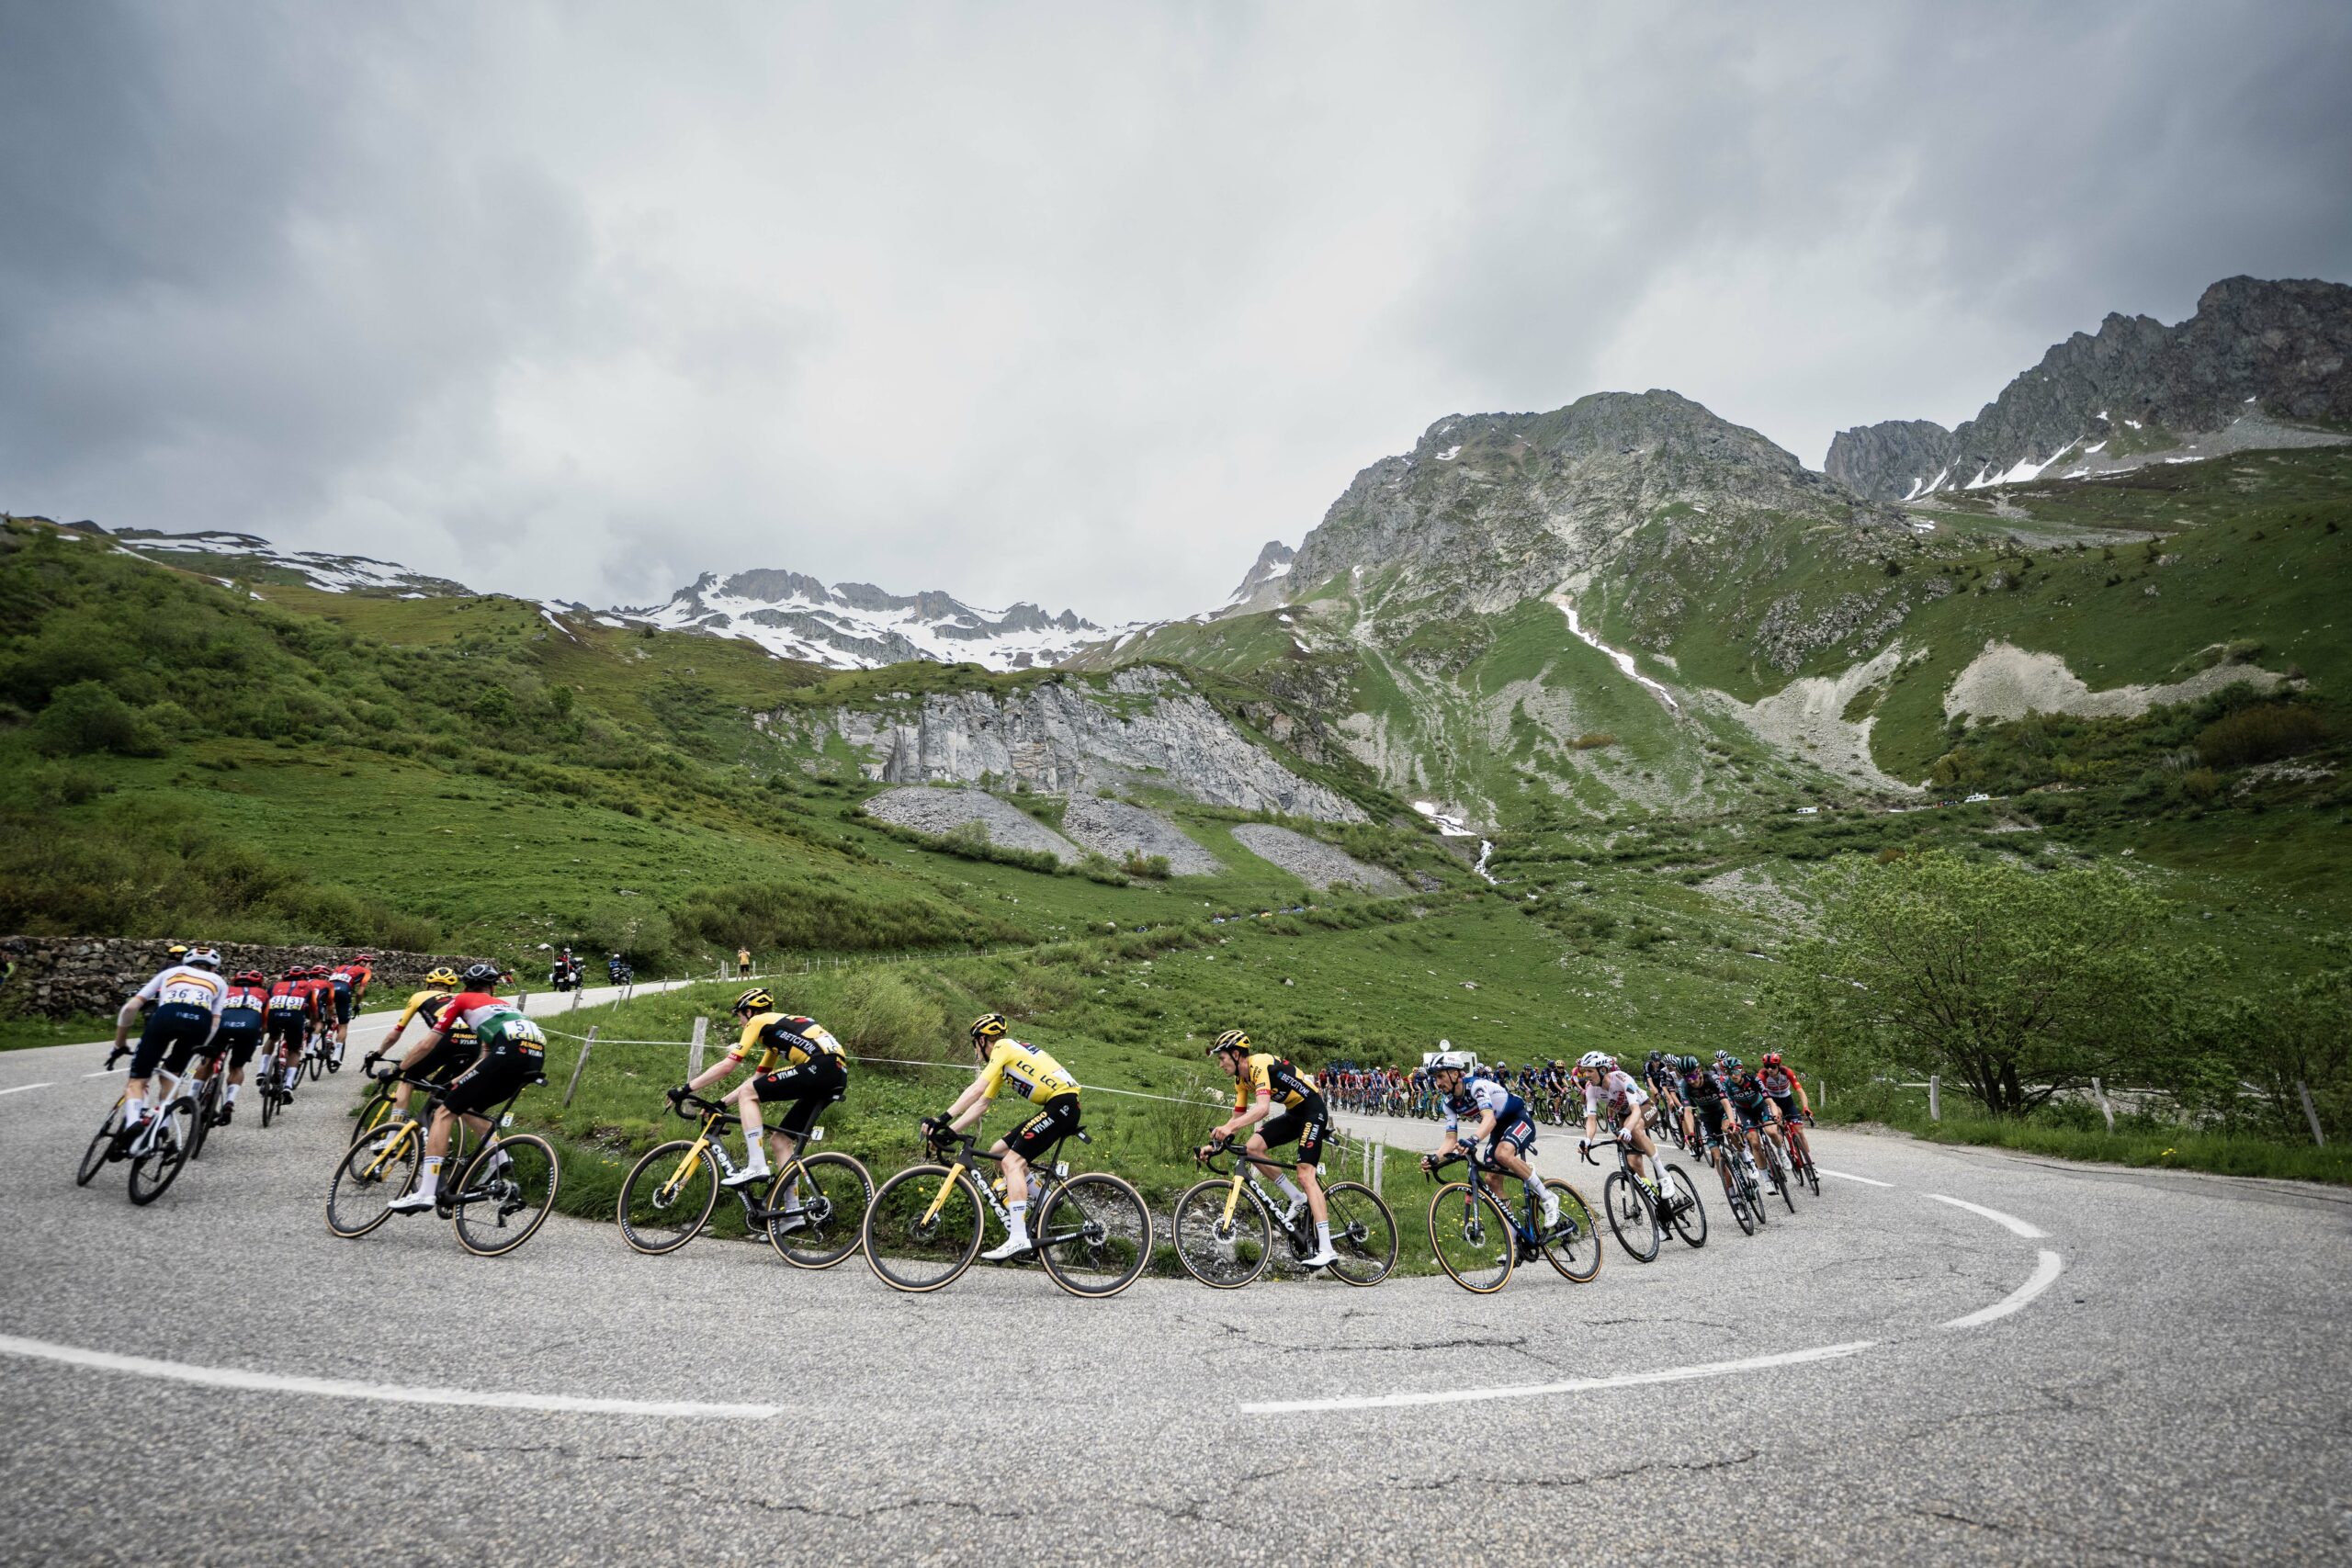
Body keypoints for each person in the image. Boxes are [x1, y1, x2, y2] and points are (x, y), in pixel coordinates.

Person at [673, 987, 848, 1227]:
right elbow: (757, 1080)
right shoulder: (774, 1035)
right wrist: (721, 1103)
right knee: (780, 1140)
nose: (740, 1021)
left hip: (819, 1066)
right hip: (835, 1074)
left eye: (739, 1015)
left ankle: (756, 1164)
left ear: (748, 1011)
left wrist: (685, 1089)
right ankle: (793, 1214)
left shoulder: (757, 1021)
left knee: (749, 1095)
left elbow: (728, 1066)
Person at [385, 964, 543, 1213]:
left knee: (444, 1113)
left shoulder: (460, 1000)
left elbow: (428, 1044)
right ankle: (499, 1160)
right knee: (468, 1107)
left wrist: (400, 1070)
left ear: (464, 986)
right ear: (492, 988)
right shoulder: (505, 1007)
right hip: (534, 1058)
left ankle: (425, 1193)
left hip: (508, 1053)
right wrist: (456, 1081)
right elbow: (485, 1057)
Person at [922, 1013, 1080, 1261]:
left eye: (975, 1044)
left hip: (1063, 1105)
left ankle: (1018, 1237)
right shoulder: (1004, 1062)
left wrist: (941, 1119)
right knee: (999, 1152)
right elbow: (981, 1103)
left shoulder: (1004, 1047)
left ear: (983, 1040)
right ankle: (1045, 1199)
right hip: (1059, 1105)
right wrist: (951, 1131)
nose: (975, 1051)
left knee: (1012, 1162)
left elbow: (975, 1089)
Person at [1199, 1030, 1339, 1269]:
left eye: (1221, 1058)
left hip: (1313, 1110)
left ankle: (1327, 1249)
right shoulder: (1240, 1081)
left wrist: (1228, 1127)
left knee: (1305, 1174)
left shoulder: (1258, 1064)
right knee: (1252, 1148)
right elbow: (1236, 1119)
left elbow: (1262, 1109)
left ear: (1235, 1054)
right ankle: (1297, 1198)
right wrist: (1215, 1144)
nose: (1220, 1064)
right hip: (1294, 1114)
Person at [1420, 1049, 1557, 1237]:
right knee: (1491, 1180)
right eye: (1435, 1078)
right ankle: (1515, 1239)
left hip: (1518, 1118)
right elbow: (1450, 1140)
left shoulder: (1476, 1086)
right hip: (1498, 1130)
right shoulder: (1449, 1103)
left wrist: (1473, 1140)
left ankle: (1548, 1197)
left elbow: (1489, 1119)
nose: (1438, 1082)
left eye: (1441, 1076)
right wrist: (1434, 1158)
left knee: (1503, 1154)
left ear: (1454, 1074)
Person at [108, 947, 226, 1138]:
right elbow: (215, 1022)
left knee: (138, 1080)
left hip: (166, 1016)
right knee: (172, 1074)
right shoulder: (219, 981)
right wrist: (201, 1048)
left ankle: (133, 1123)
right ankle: (163, 1123)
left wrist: (119, 1044)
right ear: (213, 968)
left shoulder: (170, 973)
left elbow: (130, 1008)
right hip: (200, 1023)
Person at [370, 967, 470, 1122]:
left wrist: (378, 1054)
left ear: (429, 984)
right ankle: (431, 1130)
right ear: (451, 987)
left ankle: (392, 1135)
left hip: (447, 1040)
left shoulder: (420, 996)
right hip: (473, 1046)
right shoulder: (459, 997)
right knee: (440, 1089)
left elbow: (395, 1034)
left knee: (407, 1077)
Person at [1574, 1051, 1668, 1193]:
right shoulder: (1591, 1089)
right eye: (1584, 1070)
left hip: (1644, 1106)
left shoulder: (1621, 1078)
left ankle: (1663, 1175)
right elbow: (1592, 1119)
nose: (1586, 1075)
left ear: (1603, 1070)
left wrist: (1627, 1129)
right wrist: (1588, 1140)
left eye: (1589, 1071)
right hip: (1624, 1116)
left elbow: (1635, 1110)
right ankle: (1652, 1191)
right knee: (1632, 1161)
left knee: (1635, 1128)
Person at [208, 969, 271, 1125]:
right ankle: (229, 1102)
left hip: (222, 1026)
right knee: (236, 1067)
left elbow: (211, 1010)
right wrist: (260, 1036)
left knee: (208, 1061)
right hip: (248, 1030)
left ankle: (192, 1096)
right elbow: (265, 1021)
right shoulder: (263, 994)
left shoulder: (226, 990)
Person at [327, 953, 373, 1060]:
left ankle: (328, 1032)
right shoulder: (366, 972)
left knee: (330, 1014)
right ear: (362, 962)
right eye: (370, 964)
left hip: (328, 990)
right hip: (344, 991)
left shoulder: (339, 967)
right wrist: (357, 1005)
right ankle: (337, 1056)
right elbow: (359, 993)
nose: (371, 967)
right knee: (343, 1025)